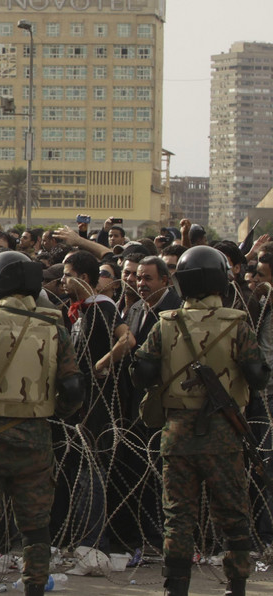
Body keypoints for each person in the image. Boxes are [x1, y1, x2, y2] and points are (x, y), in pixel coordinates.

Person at [0, 251, 84, 596]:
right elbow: (72, 384)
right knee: (35, 527)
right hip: (35, 438)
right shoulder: (54, 324)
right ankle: (35, 586)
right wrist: (58, 413)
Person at [133, 246, 268, 596]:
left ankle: (176, 586)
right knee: (233, 516)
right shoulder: (237, 323)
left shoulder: (166, 323)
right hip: (223, 435)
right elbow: (258, 375)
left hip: (176, 434)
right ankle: (236, 586)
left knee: (177, 518)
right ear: (221, 280)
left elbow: (142, 370)